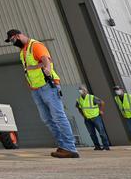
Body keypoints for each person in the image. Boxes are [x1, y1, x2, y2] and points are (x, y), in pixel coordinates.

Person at [5, 29, 79, 158]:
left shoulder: (35, 45)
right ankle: (62, 146)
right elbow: (28, 71)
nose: (13, 43)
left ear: (18, 36)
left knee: (58, 117)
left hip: (48, 86)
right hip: (36, 89)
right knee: (47, 119)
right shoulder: (23, 51)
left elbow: (46, 59)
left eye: (12, 40)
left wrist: (48, 70)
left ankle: (70, 148)